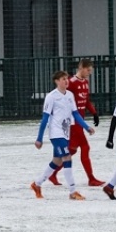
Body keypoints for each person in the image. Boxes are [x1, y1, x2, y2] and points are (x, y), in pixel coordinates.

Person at [31, 70, 93, 198]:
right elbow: (45, 118)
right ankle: (72, 191)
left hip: (66, 132)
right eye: (63, 79)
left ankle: (37, 184)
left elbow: (75, 114)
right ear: (57, 81)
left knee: (57, 161)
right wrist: (39, 138)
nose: (66, 81)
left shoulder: (70, 95)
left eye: (67, 78)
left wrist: (86, 126)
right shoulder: (51, 97)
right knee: (67, 157)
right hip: (56, 133)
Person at [54, 59, 99, 187]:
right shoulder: (72, 83)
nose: (89, 73)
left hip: (79, 120)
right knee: (85, 147)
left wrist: (94, 113)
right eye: (88, 70)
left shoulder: (85, 82)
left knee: (71, 151)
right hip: (73, 122)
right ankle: (91, 179)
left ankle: (52, 173)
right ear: (81, 68)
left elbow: (86, 100)